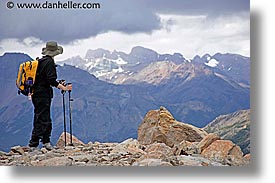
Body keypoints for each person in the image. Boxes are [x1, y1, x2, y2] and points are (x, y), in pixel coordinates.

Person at [28, 41, 72, 151]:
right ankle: (35, 144)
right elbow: (51, 80)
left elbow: (43, 79)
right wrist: (64, 88)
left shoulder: (40, 61)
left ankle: (43, 142)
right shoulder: (49, 63)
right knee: (43, 118)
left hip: (36, 94)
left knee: (40, 117)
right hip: (43, 94)